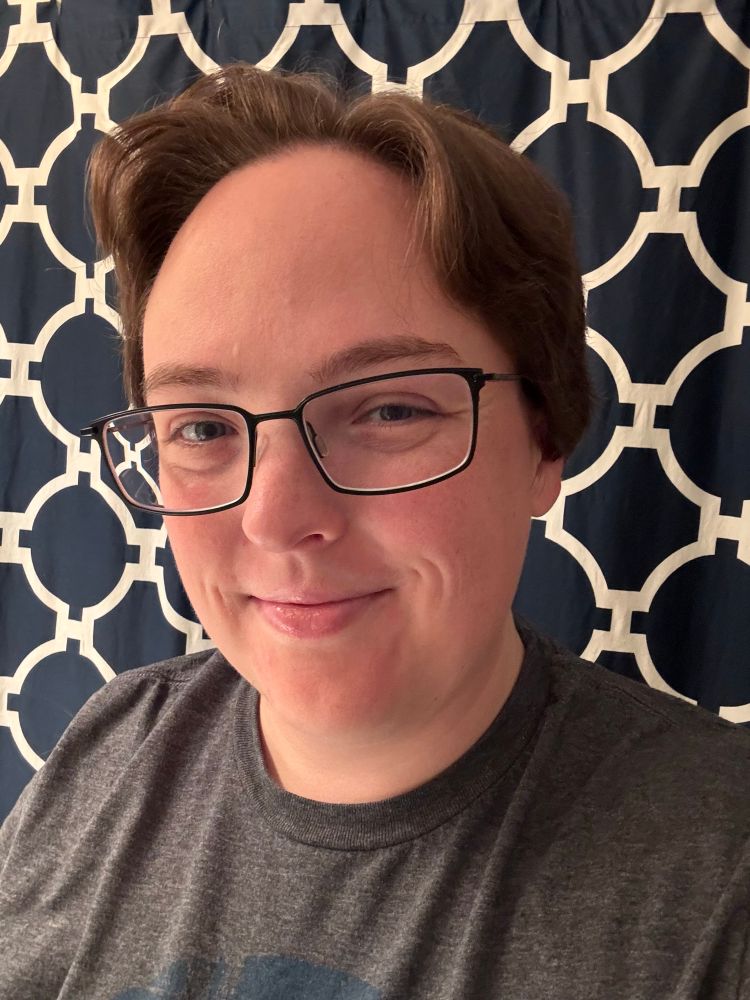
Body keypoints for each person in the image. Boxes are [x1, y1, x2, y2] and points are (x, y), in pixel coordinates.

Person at [1, 64, 749, 1000]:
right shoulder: (105, 753)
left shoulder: (720, 875)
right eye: (200, 427)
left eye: (390, 411)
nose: (275, 518)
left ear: (546, 441)